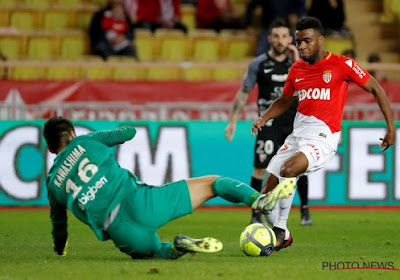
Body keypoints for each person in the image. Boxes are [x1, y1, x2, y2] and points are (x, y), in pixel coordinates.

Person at [43, 116, 296, 259]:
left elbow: (59, 224)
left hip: (117, 229)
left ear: (51, 148)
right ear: (73, 134)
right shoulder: (87, 140)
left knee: (152, 253)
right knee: (213, 183)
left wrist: (60, 248)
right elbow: (128, 133)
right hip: (141, 203)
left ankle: (178, 247)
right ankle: (258, 201)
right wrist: (120, 128)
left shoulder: (53, 181)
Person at [251, 17, 395, 251]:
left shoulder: (342, 64)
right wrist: (264, 117)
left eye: (306, 41)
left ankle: (279, 229)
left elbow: (376, 88)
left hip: (323, 139)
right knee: (263, 200)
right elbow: (285, 100)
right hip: (297, 138)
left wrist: (390, 128)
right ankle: (285, 235)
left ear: (320, 40)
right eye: (298, 42)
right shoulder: (297, 69)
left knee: (289, 170)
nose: (301, 46)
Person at [225, 18, 312, 233]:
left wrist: (298, 59)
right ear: (269, 39)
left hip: (294, 123)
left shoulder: (297, 63)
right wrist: (233, 120)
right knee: (260, 168)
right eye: (277, 36)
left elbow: (313, 82)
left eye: (284, 36)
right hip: (269, 122)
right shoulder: (258, 64)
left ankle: (304, 209)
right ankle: (256, 213)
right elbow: (244, 91)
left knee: (298, 167)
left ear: (290, 39)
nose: (281, 40)